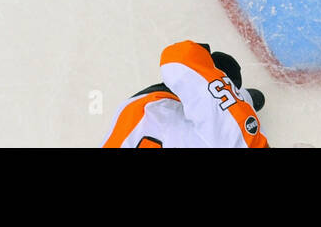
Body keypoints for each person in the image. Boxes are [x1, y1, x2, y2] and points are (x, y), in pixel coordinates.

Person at [101, 41, 268, 148]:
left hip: (145, 109)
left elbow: (178, 59)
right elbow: (177, 59)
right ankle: (235, 97)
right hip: (148, 107)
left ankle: (234, 97)